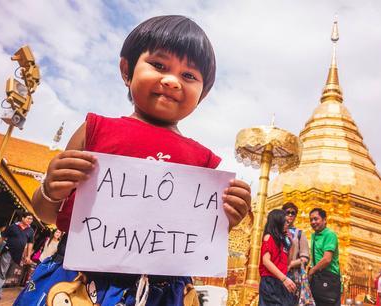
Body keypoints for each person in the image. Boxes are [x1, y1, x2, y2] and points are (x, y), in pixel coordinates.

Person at [14, 15, 251, 306]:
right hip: (80, 282)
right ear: (127, 70)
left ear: (202, 94)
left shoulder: (203, 161)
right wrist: (51, 189)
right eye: (159, 65)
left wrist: (229, 218)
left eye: (189, 76)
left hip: (162, 292)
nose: (172, 81)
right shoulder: (95, 130)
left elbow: (195, 239)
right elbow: (47, 215)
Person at [259, 209, 296, 305]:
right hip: (270, 281)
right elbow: (266, 261)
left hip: (280, 280)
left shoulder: (282, 241)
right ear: (277, 222)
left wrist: (291, 243)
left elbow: (288, 262)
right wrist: (284, 279)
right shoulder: (269, 237)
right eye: (285, 222)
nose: (287, 224)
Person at [0, 212, 34, 300]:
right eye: (28, 218)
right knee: (2, 272)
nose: (30, 221)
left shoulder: (30, 231)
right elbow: (3, 237)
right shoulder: (13, 227)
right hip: (8, 252)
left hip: (18, 255)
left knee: (8, 273)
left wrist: (28, 256)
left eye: (31, 219)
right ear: (23, 218)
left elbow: (30, 243)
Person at [282, 202, 313, 306]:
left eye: (293, 213)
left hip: (292, 276)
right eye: (288, 212)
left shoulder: (299, 234)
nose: (290, 215)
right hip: (277, 273)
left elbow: (305, 258)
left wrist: (291, 264)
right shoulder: (277, 231)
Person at [308, 207, 341, 306]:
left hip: (329, 277)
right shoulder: (314, 236)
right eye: (311, 220)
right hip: (318, 277)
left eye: (316, 219)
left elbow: (327, 259)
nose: (313, 222)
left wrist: (312, 271)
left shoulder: (330, 235)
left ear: (324, 220)